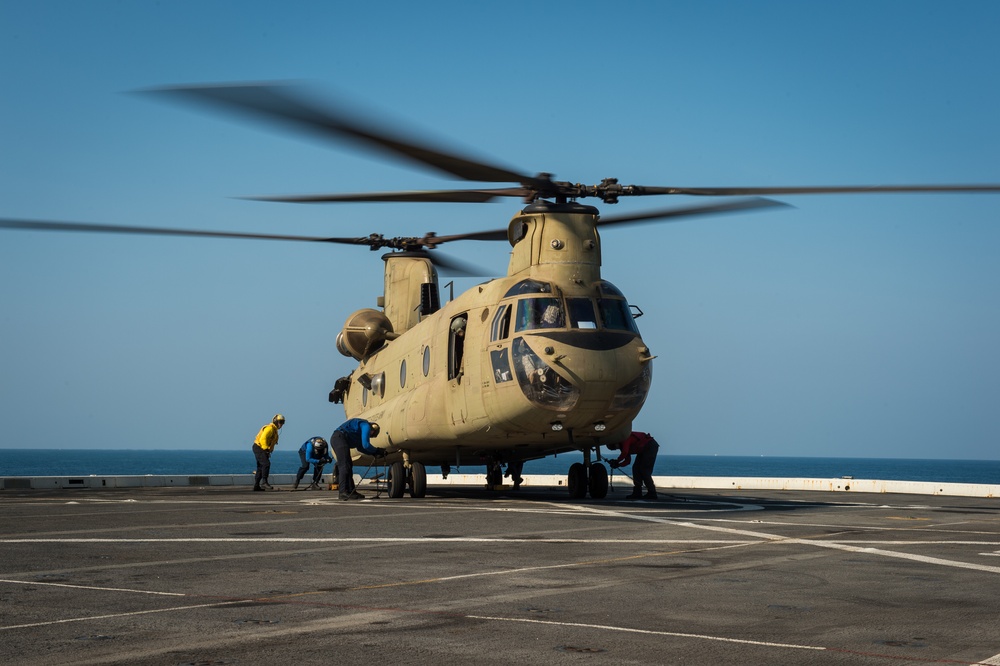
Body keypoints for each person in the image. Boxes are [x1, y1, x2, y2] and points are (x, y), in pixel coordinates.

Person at [329, 418, 381, 500]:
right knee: (344, 466)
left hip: (338, 438)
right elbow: (366, 445)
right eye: (371, 435)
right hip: (339, 438)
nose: (369, 436)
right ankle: (342, 492)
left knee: (348, 466)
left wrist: (374, 453)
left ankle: (351, 491)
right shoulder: (366, 426)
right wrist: (377, 450)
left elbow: (361, 448)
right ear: (373, 430)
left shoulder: (359, 432)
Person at [607, 431, 660, 500]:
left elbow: (625, 452)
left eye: (614, 447)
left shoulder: (624, 439)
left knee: (644, 470)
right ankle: (637, 492)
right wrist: (618, 464)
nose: (616, 448)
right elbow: (627, 461)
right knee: (635, 469)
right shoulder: (622, 446)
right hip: (643, 449)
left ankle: (652, 493)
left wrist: (617, 461)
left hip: (649, 446)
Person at [252, 414, 285, 491]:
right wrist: (266, 449)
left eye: (283, 422)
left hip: (261, 448)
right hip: (259, 447)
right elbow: (263, 439)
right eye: (280, 422)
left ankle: (256, 486)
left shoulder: (274, 431)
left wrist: (268, 451)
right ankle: (264, 482)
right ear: (275, 421)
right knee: (266, 464)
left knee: (260, 467)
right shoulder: (269, 428)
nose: (281, 424)